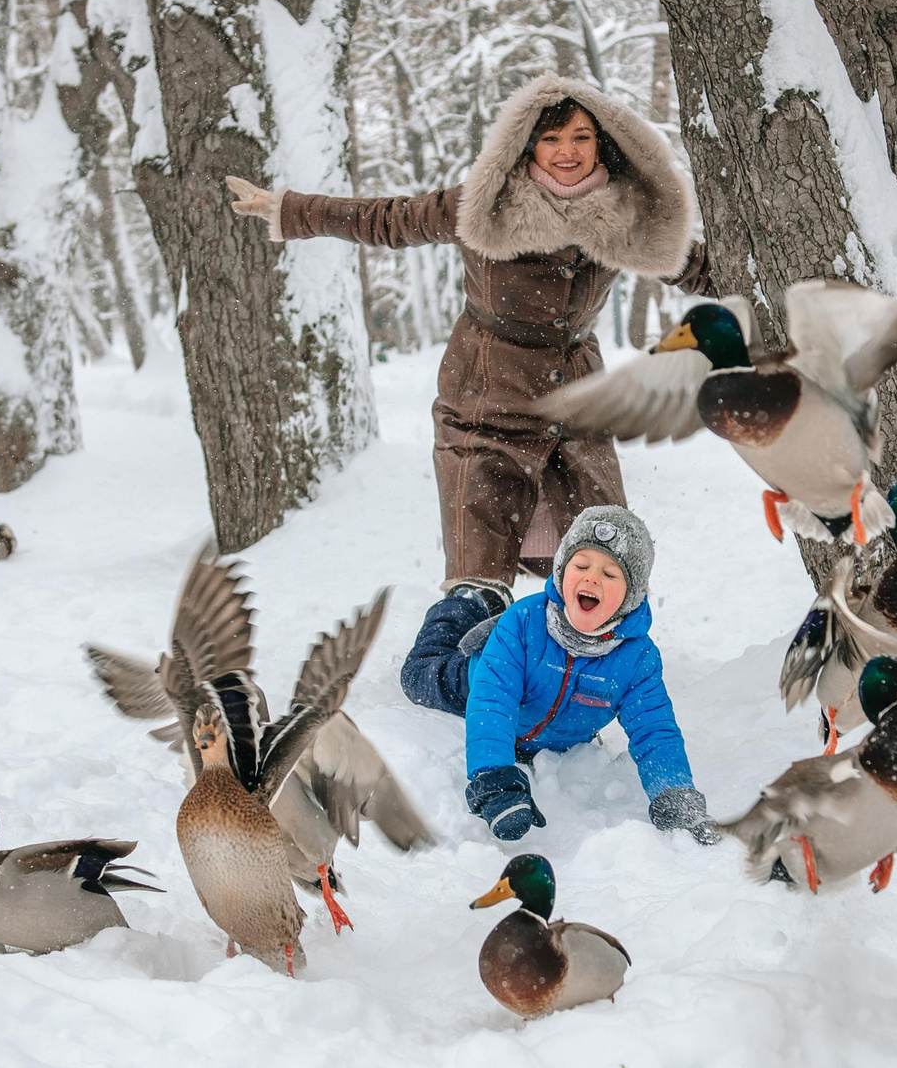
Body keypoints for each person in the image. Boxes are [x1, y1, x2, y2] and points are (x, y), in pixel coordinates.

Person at [225, 74, 718, 624]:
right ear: (529, 144)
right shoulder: (486, 203)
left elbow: (693, 266)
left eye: (581, 137)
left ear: (601, 144)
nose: (566, 152)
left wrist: (780, 286)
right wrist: (293, 210)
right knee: (477, 570)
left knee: (602, 555)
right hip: (486, 394)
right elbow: (389, 220)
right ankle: (455, 668)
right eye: (551, 139)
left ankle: (589, 666)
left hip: (577, 398)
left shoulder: (624, 215)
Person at [400, 506, 716, 845]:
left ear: (631, 596)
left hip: (547, 720)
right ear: (562, 571)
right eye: (581, 566)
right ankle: (470, 600)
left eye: (610, 574)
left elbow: (655, 731)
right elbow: (492, 705)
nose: (592, 578)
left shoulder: (637, 659)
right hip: (480, 680)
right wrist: (494, 780)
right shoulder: (523, 623)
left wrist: (676, 798)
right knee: (418, 677)